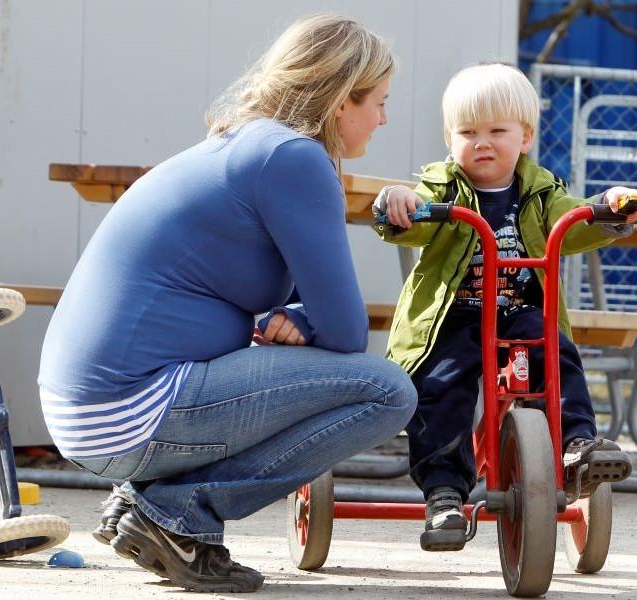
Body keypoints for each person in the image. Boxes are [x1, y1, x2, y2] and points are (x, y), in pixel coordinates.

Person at [37, 15, 417, 593]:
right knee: (388, 390)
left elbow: (304, 305)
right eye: (379, 102)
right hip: (128, 410)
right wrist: (310, 319)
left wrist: (301, 317)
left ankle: (150, 503)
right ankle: (177, 512)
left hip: (89, 411)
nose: (384, 118)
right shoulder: (293, 158)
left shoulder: (244, 144)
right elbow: (345, 332)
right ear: (343, 99)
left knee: (366, 382)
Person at [372, 63, 637, 551]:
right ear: (449, 139)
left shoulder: (540, 191)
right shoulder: (445, 186)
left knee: (555, 354)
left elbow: (573, 220)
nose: (482, 142)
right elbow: (415, 214)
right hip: (454, 315)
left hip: (518, 312)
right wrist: (398, 202)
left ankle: (577, 446)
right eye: (467, 132)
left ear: (526, 136)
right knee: (443, 388)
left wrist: (607, 208)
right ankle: (444, 494)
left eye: (497, 131)